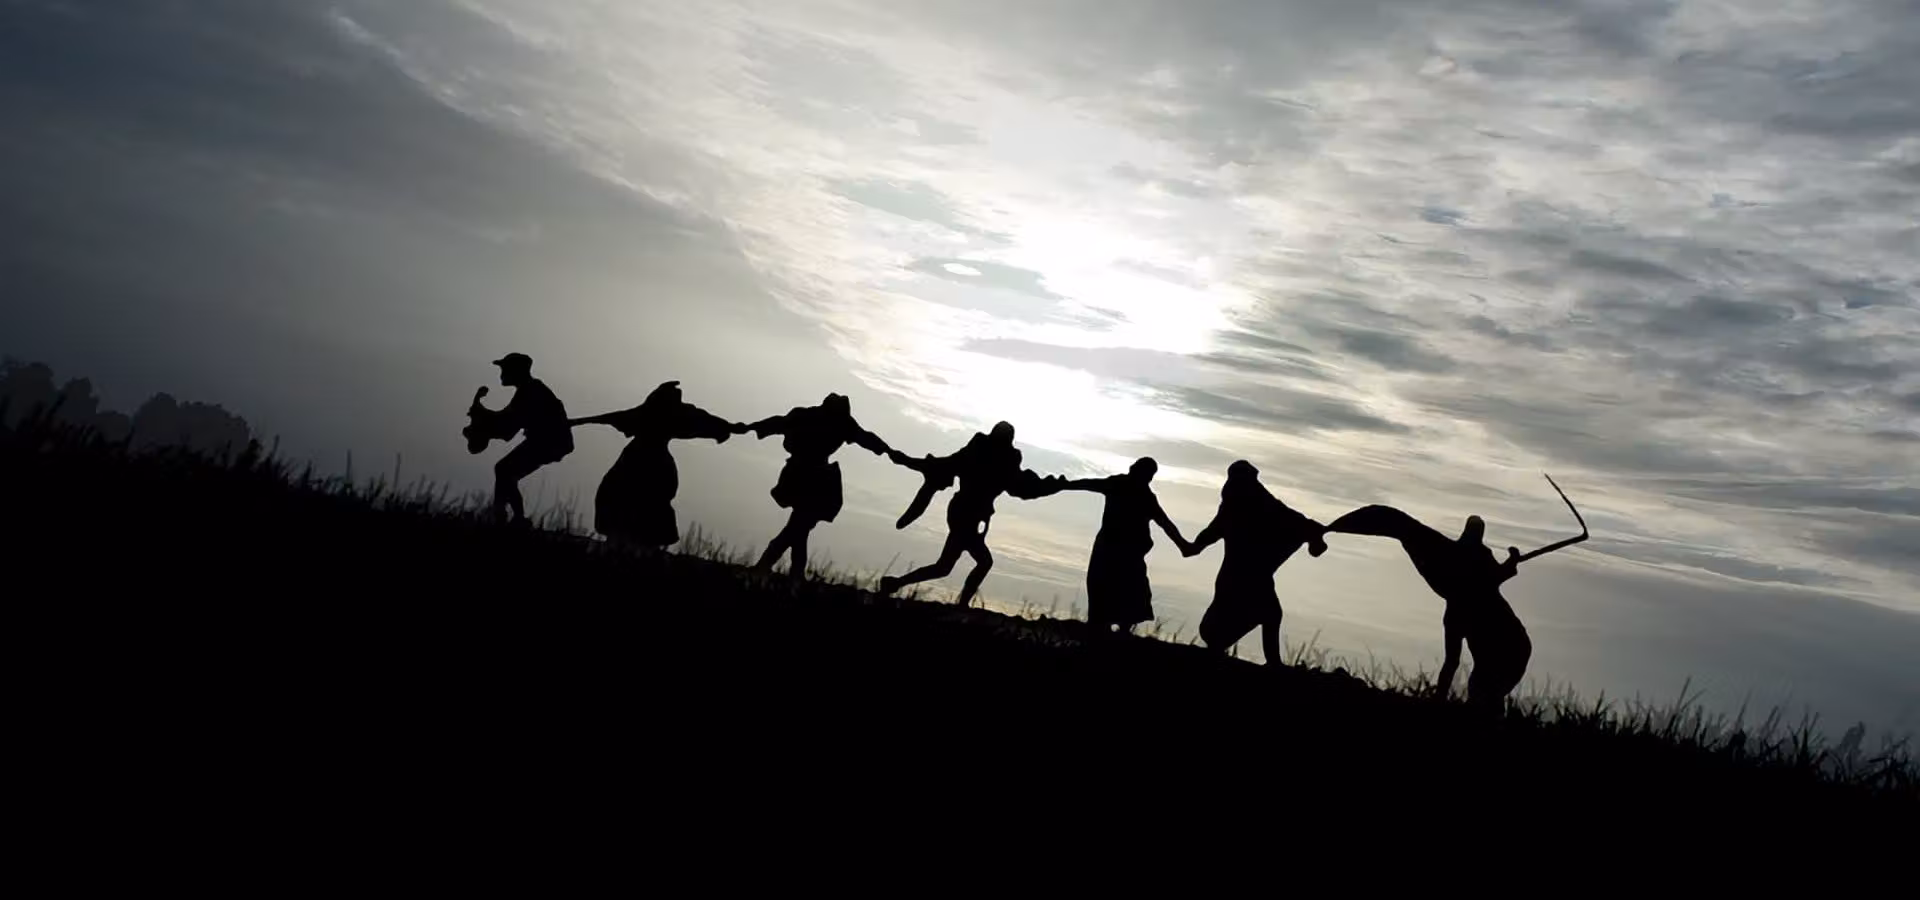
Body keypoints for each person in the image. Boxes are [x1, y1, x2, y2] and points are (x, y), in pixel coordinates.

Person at [1325, 474, 1589, 709]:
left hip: (1512, 647)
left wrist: (1509, 563)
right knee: (1483, 695)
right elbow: (1451, 662)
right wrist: (1509, 563)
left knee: (1483, 693)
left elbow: (1452, 662)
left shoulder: (1468, 594)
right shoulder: (1474, 586)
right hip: (1512, 647)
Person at [878, 422, 1063, 607]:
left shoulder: (1001, 459)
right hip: (964, 513)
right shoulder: (983, 453)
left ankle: (895, 583)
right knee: (977, 562)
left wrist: (1055, 485)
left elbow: (1021, 486)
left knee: (946, 566)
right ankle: (960, 603)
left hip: (968, 514)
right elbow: (950, 463)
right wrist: (909, 460)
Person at [1182, 460, 1328, 665]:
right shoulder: (1240, 510)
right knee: (1266, 615)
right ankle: (1271, 663)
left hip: (1242, 579)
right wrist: (1312, 532)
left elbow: (1312, 543)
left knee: (1268, 614)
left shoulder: (1250, 509)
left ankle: (1269, 661)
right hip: (1244, 580)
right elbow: (1203, 539)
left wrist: (1314, 533)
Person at [569, 381, 740, 551]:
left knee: (644, 500)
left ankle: (636, 545)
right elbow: (609, 417)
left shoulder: (666, 415)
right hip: (642, 461)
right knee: (621, 496)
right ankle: (627, 545)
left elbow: (705, 421)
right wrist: (575, 422)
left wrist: (732, 427)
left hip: (648, 461)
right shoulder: (658, 415)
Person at [744, 393, 892, 583]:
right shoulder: (820, 419)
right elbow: (779, 423)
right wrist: (749, 427)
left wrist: (887, 450)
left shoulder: (827, 420)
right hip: (808, 477)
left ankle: (781, 571)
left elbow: (866, 438)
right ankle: (780, 571)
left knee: (798, 528)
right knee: (798, 528)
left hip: (813, 478)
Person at [1056, 457, 1192, 633]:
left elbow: (1165, 523)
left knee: (1125, 587)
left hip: (1124, 550)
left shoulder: (1137, 493)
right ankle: (1105, 627)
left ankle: (1115, 628)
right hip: (1115, 547)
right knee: (1105, 585)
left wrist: (1182, 545)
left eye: (1137, 467)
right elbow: (1089, 483)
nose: (1132, 467)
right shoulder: (1126, 487)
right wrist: (1065, 484)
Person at [469, 353, 573, 526]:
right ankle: (510, 517)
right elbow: (506, 418)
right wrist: (484, 414)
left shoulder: (530, 392)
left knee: (504, 470)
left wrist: (483, 419)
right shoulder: (528, 390)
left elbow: (507, 429)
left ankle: (505, 516)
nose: (501, 374)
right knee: (506, 471)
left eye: (505, 369)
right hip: (547, 441)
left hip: (549, 442)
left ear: (516, 371)